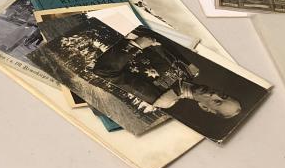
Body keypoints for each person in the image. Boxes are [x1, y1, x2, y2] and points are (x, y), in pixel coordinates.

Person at [93, 30, 242, 119]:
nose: (214, 94)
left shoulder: (161, 99)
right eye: (223, 95)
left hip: (98, 43)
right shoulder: (191, 70)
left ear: (204, 107)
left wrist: (135, 46)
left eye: (217, 102)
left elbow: (104, 72)